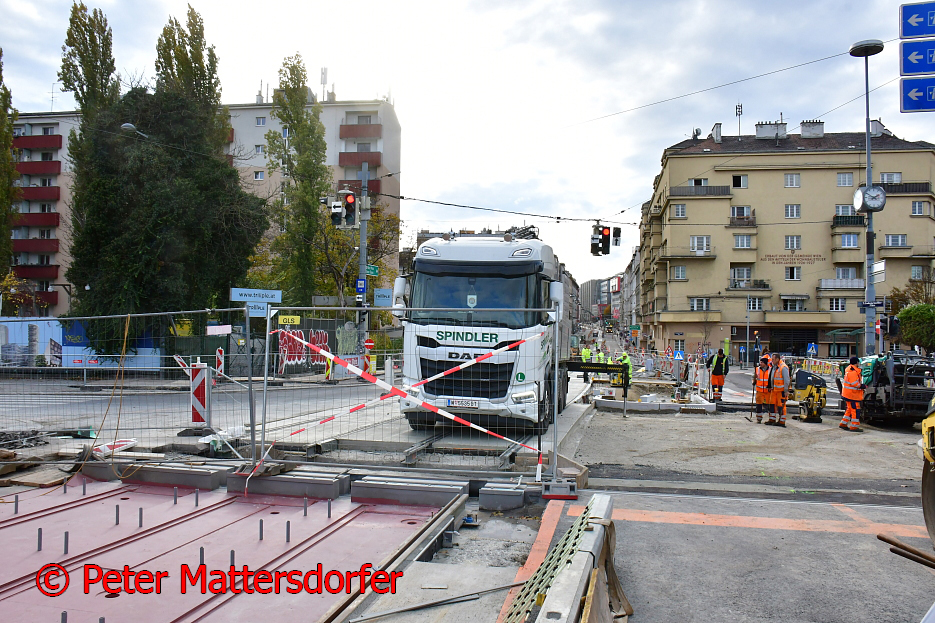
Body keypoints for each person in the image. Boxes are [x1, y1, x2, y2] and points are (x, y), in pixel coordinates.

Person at [840, 356, 866, 432]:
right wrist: (862, 386)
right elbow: (854, 384)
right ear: (856, 363)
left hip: (849, 394)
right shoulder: (853, 372)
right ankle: (854, 426)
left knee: (849, 409)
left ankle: (843, 423)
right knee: (855, 410)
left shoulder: (850, 370)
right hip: (852, 395)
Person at [767, 352, 790, 426]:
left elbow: (786, 380)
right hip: (774, 390)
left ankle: (781, 421)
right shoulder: (774, 366)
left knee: (781, 406)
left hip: (781, 391)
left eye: (773, 359)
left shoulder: (783, 367)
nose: (772, 361)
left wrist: (786, 390)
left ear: (777, 359)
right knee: (772, 405)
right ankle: (772, 419)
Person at [752, 356, 772, 423]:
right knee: (759, 405)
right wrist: (753, 381)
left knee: (770, 405)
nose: (760, 363)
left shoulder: (770, 370)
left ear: (765, 363)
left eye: (762, 362)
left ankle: (771, 419)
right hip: (759, 390)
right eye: (760, 362)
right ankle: (759, 418)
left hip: (768, 391)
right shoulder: (757, 369)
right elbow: (754, 376)